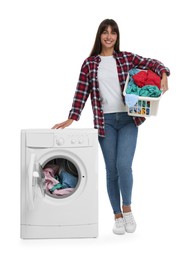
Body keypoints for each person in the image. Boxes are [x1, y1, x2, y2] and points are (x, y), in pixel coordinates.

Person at [52, 19, 170, 235]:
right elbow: (81, 93)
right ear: (99, 36)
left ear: (117, 36)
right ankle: (116, 215)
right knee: (111, 170)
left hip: (128, 120)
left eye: (113, 32)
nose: (109, 36)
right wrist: (71, 118)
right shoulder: (90, 63)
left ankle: (127, 209)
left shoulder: (126, 57)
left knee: (124, 165)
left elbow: (153, 62)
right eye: (105, 32)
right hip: (105, 122)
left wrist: (163, 75)